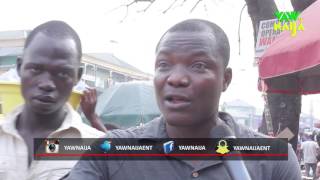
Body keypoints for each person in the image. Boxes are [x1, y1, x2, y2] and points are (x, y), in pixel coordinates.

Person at [62, 19, 301, 180]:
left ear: (225, 79)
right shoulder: (110, 153)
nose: (175, 79)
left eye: (198, 65)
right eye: (164, 65)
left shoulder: (274, 160)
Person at [0, 21, 104, 180]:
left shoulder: (96, 147)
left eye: (62, 73)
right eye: (36, 69)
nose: (47, 84)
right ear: (20, 67)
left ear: (78, 76)